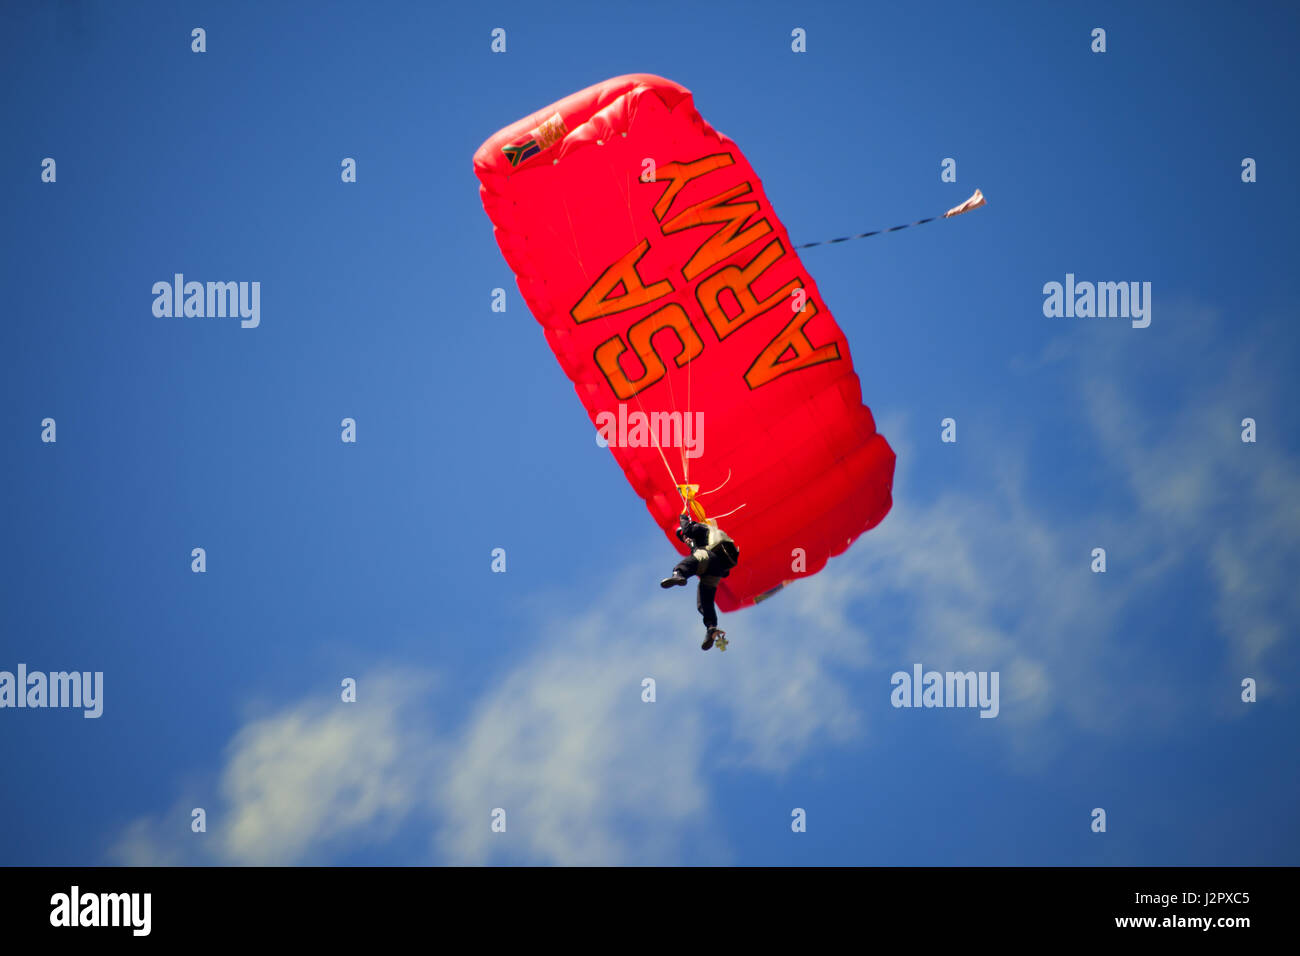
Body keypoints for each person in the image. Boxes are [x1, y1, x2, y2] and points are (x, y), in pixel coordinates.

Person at [660, 512, 740, 650]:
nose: (684, 538)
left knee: (686, 564)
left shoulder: (701, 529)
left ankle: (679, 575)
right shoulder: (704, 539)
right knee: (704, 601)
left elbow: (688, 530)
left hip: (709, 557)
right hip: (716, 571)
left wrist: (683, 518)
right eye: (682, 537)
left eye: (684, 536)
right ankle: (711, 628)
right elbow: (726, 573)